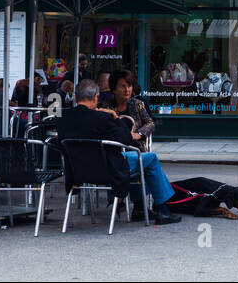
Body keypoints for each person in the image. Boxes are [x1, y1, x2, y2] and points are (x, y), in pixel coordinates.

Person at [55, 79, 180, 225]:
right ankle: (162, 211)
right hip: (108, 168)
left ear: (76, 98)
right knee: (149, 158)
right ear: (96, 97)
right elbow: (127, 139)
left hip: (77, 171)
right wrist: (114, 117)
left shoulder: (62, 119)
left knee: (136, 159)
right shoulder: (103, 118)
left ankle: (140, 208)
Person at [99, 70, 155, 140]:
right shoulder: (105, 106)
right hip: (113, 145)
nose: (127, 90)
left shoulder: (137, 104)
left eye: (129, 86)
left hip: (135, 146)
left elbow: (151, 124)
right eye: (123, 86)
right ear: (114, 89)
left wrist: (139, 134)